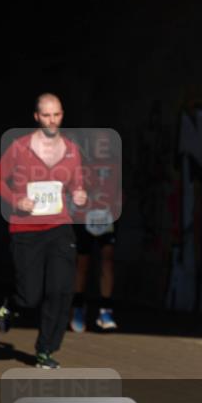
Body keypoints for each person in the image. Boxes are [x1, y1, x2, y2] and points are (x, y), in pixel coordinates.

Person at [0, 93, 88, 369]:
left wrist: (79, 194)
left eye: (56, 114)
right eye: (46, 115)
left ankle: (45, 349)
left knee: (60, 290)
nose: (52, 120)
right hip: (26, 230)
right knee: (30, 295)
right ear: (36, 117)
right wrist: (16, 200)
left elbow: (77, 185)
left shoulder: (71, 150)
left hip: (59, 228)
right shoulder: (20, 148)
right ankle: (13, 303)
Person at [71, 129, 121, 332]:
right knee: (83, 263)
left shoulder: (114, 165)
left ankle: (105, 311)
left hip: (106, 218)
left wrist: (116, 204)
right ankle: (77, 307)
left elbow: (118, 191)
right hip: (84, 217)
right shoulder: (81, 164)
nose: (103, 146)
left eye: (105, 143)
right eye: (99, 143)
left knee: (107, 260)